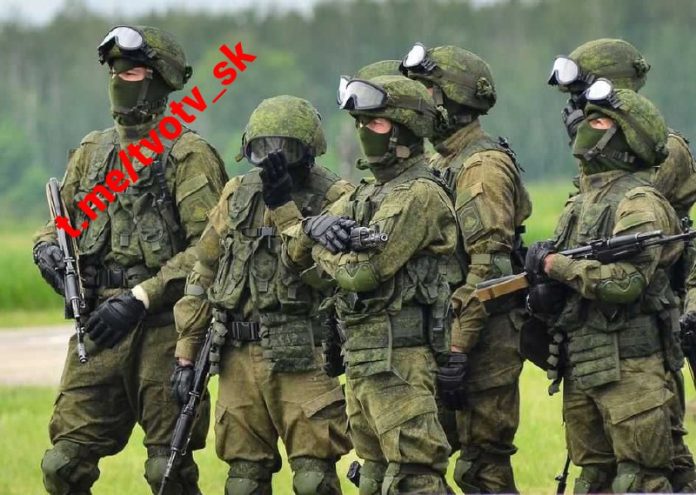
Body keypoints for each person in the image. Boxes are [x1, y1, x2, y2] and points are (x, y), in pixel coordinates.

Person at [31, 25, 228, 494]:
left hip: (165, 330)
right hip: (99, 326)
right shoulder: (92, 152)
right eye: (115, 72)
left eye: (133, 72)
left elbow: (210, 249)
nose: (121, 81)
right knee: (62, 465)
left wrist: (141, 297)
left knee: (167, 472)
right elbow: (61, 222)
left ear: (159, 82)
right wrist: (48, 249)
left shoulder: (188, 155)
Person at [279, 74, 457, 494]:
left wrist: (320, 247)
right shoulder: (368, 193)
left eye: (375, 123)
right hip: (364, 360)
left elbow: (361, 274)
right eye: (359, 122)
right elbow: (291, 252)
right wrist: (314, 228)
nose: (363, 131)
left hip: (402, 362)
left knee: (414, 479)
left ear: (406, 130)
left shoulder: (418, 194)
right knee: (374, 480)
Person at [172, 95, 353, 494]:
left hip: (304, 352)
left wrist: (285, 207)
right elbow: (204, 270)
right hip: (237, 354)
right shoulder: (237, 192)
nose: (275, 158)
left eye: (287, 148)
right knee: (243, 482)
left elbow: (329, 274)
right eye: (264, 148)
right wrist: (186, 353)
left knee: (314, 480)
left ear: (309, 149)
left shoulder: (336, 196)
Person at [548, 38, 696, 491]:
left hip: (641, 332)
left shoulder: (653, 156)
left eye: (588, 105)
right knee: (603, 473)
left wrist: (564, 268)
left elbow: (633, 260)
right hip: (593, 342)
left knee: (654, 465)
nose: (577, 114)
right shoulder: (593, 186)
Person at [400, 43, 531, 493]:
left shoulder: (481, 167)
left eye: (427, 91)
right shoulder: (441, 161)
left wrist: (457, 349)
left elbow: (488, 267)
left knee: (482, 468)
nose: (419, 101)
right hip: (451, 333)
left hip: (484, 340)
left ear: (452, 99)